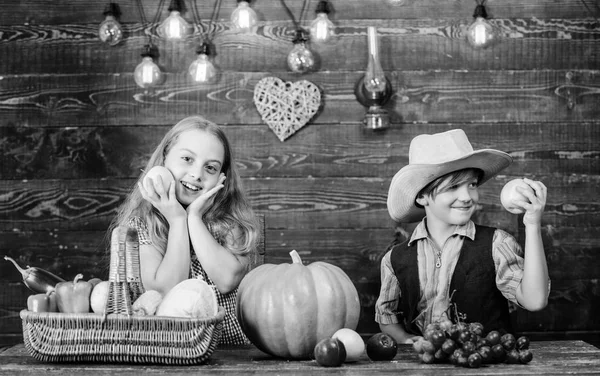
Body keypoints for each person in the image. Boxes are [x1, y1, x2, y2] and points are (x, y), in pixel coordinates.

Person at [375, 129, 549, 344]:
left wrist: (532, 223)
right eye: (453, 186)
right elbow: (387, 316)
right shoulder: (394, 259)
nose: (467, 197)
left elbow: (534, 300)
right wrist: (405, 339)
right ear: (421, 196)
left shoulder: (497, 244)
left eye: (472, 184)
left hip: (487, 366)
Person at [109, 115, 261, 345]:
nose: (197, 174)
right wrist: (178, 221)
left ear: (222, 177)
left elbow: (227, 279)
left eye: (210, 167)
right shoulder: (140, 224)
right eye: (187, 159)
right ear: (165, 158)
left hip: (231, 350)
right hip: (170, 348)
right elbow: (164, 293)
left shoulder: (230, 220)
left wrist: (194, 218)